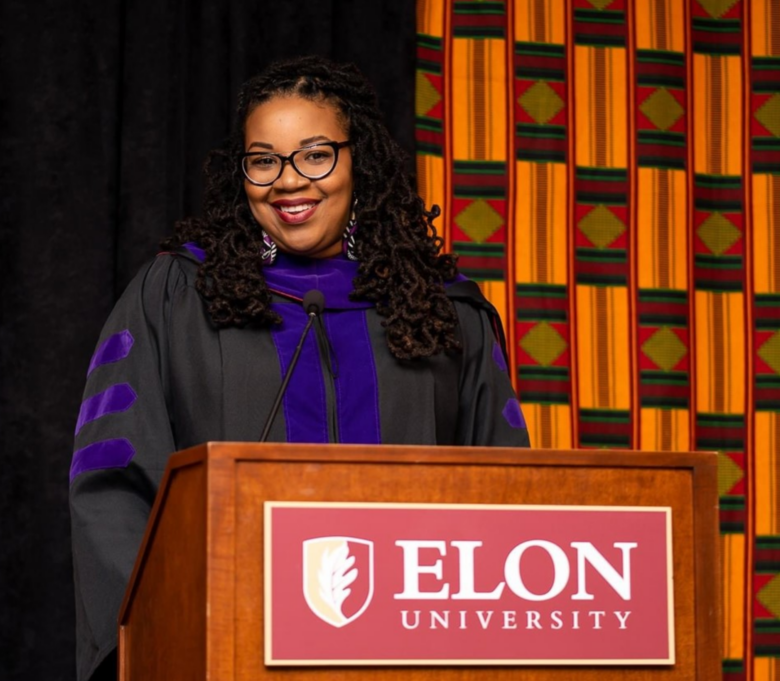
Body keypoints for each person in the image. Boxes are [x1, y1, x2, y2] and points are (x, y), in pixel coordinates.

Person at [69, 55, 529, 681]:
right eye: (264, 160)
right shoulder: (177, 296)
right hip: (223, 648)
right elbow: (114, 482)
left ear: (357, 159)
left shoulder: (444, 311)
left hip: (417, 653)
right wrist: (164, 630)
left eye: (315, 154)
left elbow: (505, 493)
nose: (289, 181)